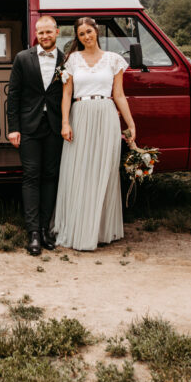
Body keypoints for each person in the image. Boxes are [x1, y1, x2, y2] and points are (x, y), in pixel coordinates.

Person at [53, 16, 137, 251]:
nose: (86, 37)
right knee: (79, 171)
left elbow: (119, 95)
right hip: (80, 114)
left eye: (89, 31)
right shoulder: (71, 60)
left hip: (106, 115)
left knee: (104, 171)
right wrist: (65, 123)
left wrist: (130, 124)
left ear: (96, 32)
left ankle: (101, 231)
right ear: (77, 38)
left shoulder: (114, 60)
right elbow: (66, 95)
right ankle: (79, 228)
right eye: (81, 34)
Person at [7, 15, 65, 256]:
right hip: (28, 127)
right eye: (40, 33)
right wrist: (13, 128)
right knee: (31, 176)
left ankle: (44, 229)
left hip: (54, 126)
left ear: (57, 33)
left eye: (48, 32)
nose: (44, 36)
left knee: (51, 176)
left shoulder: (67, 60)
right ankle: (32, 233)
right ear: (36, 35)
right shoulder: (23, 58)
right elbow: (14, 95)